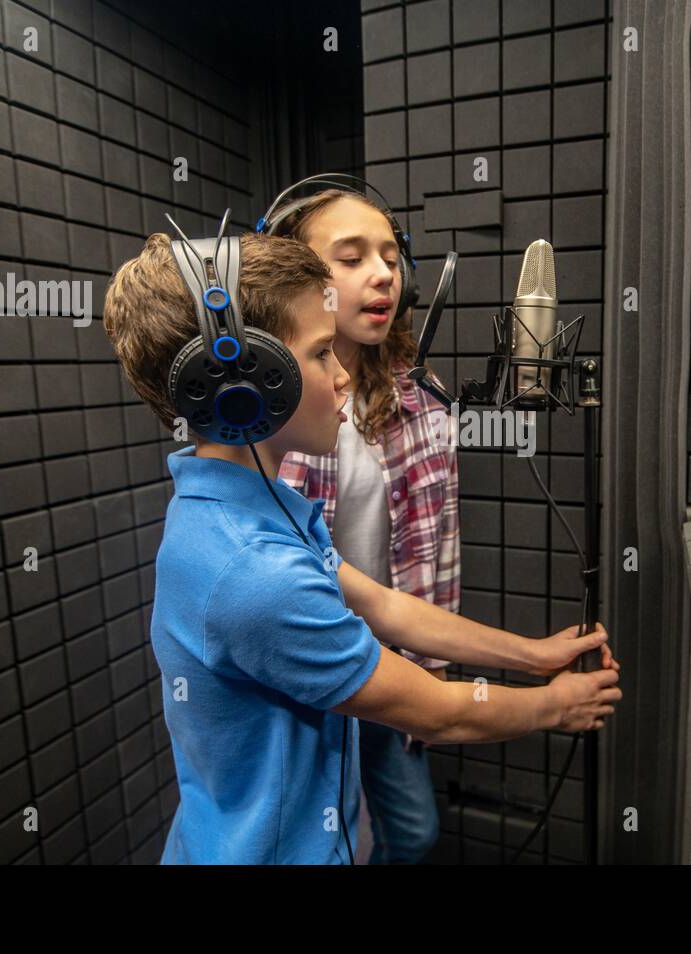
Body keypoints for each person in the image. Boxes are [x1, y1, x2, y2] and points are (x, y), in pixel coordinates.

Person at [102, 227, 621, 864]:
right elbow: (437, 712)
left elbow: (384, 607)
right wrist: (555, 706)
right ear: (252, 382)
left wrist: (533, 656)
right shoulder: (256, 574)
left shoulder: (248, 507)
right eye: (322, 353)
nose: (344, 374)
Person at [269, 185, 457, 864]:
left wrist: (428, 655)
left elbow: (440, 546)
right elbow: (280, 561)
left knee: (412, 833)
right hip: (315, 663)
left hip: (390, 660)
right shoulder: (276, 408)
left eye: (388, 256)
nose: (382, 273)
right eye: (350, 259)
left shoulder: (418, 395)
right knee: (332, 842)